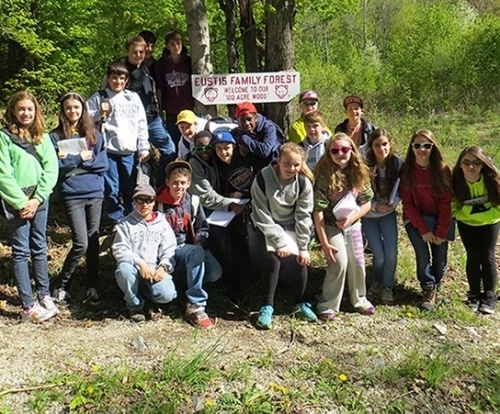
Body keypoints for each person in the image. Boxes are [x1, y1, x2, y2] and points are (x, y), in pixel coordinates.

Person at [0, 91, 59, 322]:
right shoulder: (4, 137)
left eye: (30, 109)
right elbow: (3, 173)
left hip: (39, 198)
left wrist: (37, 199)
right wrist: (21, 202)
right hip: (16, 201)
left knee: (39, 246)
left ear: (36, 111)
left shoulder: (42, 136)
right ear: (13, 111)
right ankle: (27, 304)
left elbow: (51, 168)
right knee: (21, 251)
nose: (26, 113)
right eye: (21, 109)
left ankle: (44, 294)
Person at [50, 92, 109, 306]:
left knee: (93, 241)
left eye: (76, 107)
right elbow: (56, 167)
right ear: (63, 110)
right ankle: (61, 285)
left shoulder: (94, 134)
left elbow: (103, 163)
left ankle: (91, 285)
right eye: (68, 108)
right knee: (81, 242)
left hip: (94, 191)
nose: (73, 111)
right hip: (72, 193)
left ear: (83, 109)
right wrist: (79, 159)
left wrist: (75, 163)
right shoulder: (55, 136)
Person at [250, 143, 317, 329]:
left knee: (301, 260)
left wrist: (303, 246)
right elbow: (261, 213)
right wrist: (279, 242)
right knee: (273, 259)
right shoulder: (263, 178)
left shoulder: (303, 183)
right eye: (287, 164)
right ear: (278, 160)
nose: (291, 169)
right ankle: (267, 306)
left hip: (292, 226)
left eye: (296, 165)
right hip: (270, 225)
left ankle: (301, 302)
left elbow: (304, 215)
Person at [313, 133, 375, 320]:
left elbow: (366, 203)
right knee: (339, 262)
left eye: (345, 149)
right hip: (331, 225)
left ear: (352, 151)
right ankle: (328, 303)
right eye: (335, 150)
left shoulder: (359, 172)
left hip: (352, 223)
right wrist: (324, 241)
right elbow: (318, 211)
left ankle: (359, 299)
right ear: (329, 153)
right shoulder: (324, 175)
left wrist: (352, 219)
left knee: (357, 261)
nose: (340, 154)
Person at [156, 160, 222, 328]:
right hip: (168, 249)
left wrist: (200, 242)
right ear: (168, 182)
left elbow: (202, 228)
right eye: (175, 183)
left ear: (189, 183)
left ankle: (184, 285)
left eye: (183, 183)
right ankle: (196, 305)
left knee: (215, 272)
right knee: (196, 254)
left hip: (191, 246)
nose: (179, 187)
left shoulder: (193, 201)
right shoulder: (158, 203)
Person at [87, 61, 150, 223]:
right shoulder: (99, 97)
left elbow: (141, 123)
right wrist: (100, 114)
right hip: (108, 152)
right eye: (114, 78)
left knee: (130, 188)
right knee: (111, 189)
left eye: (122, 78)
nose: (118, 82)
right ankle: (115, 220)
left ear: (126, 80)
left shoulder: (133, 98)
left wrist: (144, 147)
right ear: (108, 79)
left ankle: (132, 218)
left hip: (129, 151)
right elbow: (86, 118)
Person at [400, 129, 453, 311]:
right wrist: (423, 229)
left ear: (433, 147)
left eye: (427, 146)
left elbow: (447, 204)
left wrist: (440, 232)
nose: (422, 149)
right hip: (415, 220)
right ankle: (428, 289)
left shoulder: (442, 170)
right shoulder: (407, 171)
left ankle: (436, 286)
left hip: (440, 220)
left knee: (440, 261)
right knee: (423, 257)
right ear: (412, 148)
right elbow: (407, 204)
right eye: (417, 146)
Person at [112, 183, 177, 322]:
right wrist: (140, 263)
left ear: (154, 201)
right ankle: (134, 305)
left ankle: (143, 293)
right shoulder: (125, 223)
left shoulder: (162, 223)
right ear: (134, 202)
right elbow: (119, 249)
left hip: (154, 270)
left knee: (167, 294)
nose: (144, 204)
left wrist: (163, 266)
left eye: (148, 200)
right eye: (140, 200)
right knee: (124, 270)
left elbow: (170, 249)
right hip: (133, 268)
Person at [452, 146, 500, 314]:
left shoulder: (491, 179)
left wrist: (493, 215)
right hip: (467, 223)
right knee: (472, 256)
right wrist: (460, 214)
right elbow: (451, 204)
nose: (471, 167)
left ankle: (489, 295)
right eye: (466, 162)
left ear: (482, 165)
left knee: (487, 256)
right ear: (460, 164)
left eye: (476, 163)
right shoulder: (456, 181)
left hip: (490, 222)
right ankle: (473, 294)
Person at [122, 35, 176, 184]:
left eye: (141, 52)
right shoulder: (121, 71)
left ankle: (159, 185)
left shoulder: (145, 68)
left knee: (170, 150)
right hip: (132, 124)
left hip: (152, 119)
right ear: (127, 51)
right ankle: (137, 194)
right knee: (135, 158)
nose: (138, 55)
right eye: (134, 52)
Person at [361, 129, 404, 304]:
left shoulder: (397, 164)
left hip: (388, 213)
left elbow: (403, 188)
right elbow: (358, 195)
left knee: (391, 252)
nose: (381, 149)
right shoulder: (365, 166)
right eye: (377, 145)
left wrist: (394, 202)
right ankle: (376, 281)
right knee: (378, 255)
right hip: (369, 214)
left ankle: (388, 286)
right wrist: (374, 205)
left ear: (390, 144)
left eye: (385, 144)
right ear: (371, 147)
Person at [156, 31, 195, 148]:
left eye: (178, 43)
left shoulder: (189, 62)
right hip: (171, 109)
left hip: (189, 107)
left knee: (190, 137)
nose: (176, 47)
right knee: (174, 140)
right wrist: (160, 106)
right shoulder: (161, 64)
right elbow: (159, 86)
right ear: (167, 46)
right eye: (172, 44)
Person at [231, 101, 282, 171]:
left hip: (273, 165)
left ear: (256, 117)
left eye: (249, 119)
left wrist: (245, 139)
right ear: (237, 121)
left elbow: (265, 151)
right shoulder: (238, 131)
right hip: (254, 166)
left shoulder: (269, 128)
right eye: (242, 120)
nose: (247, 123)